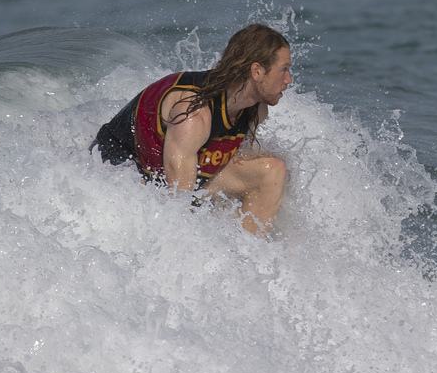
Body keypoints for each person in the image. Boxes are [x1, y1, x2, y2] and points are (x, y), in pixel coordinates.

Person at [92, 23, 293, 232]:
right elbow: (178, 206)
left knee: (272, 172)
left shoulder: (255, 109)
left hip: (171, 173)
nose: (289, 80)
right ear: (257, 71)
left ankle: (251, 254)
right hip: (121, 173)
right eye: (284, 69)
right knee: (184, 214)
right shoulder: (193, 115)